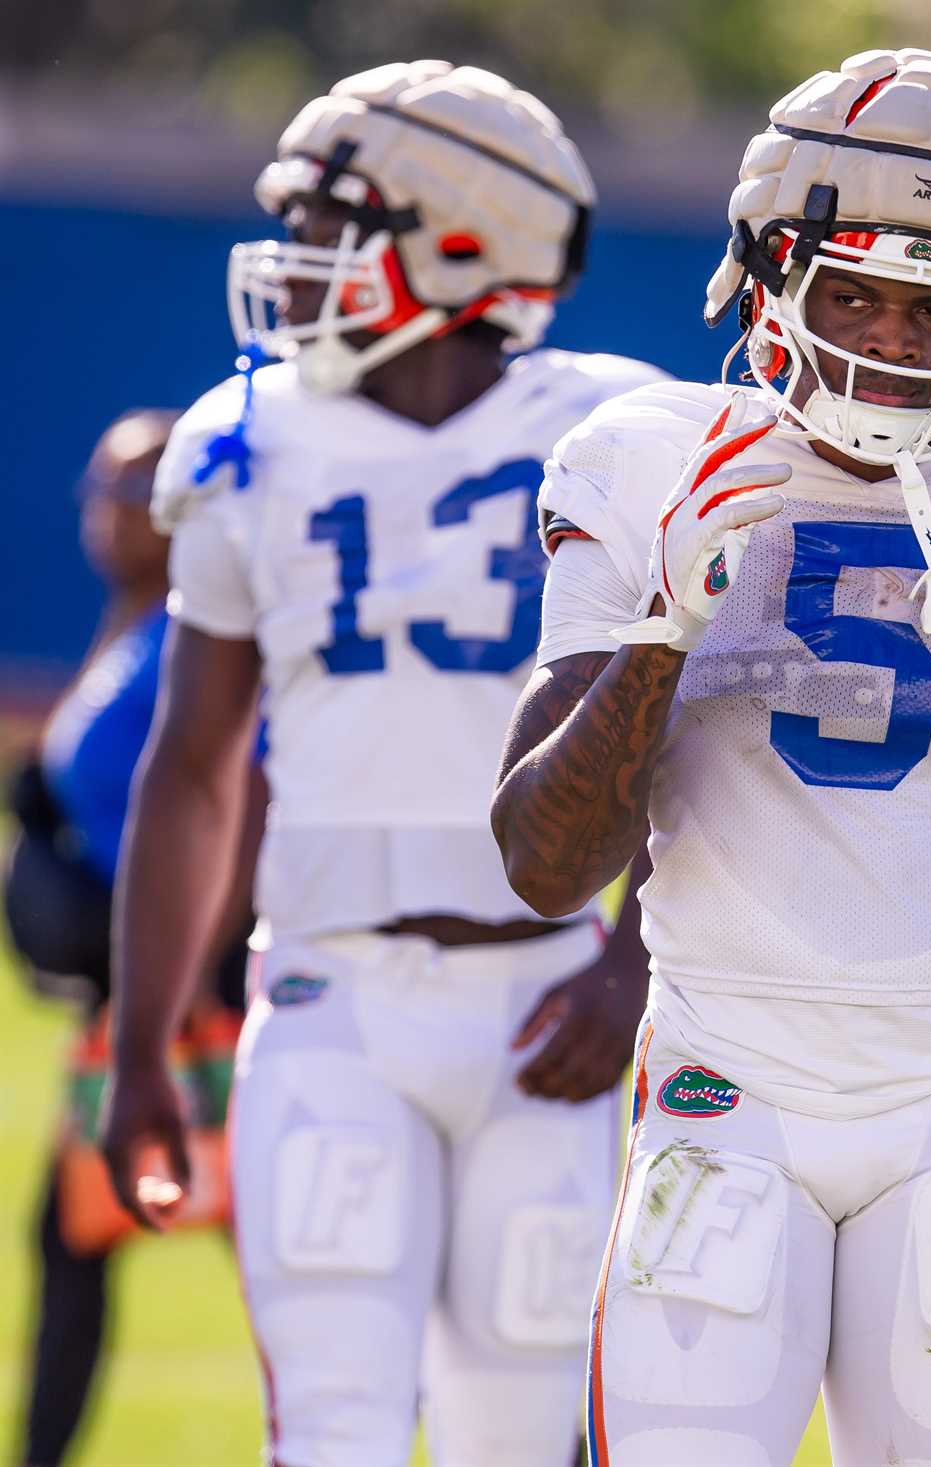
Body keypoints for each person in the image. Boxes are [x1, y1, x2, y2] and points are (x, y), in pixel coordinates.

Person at [492, 48, 931, 1467]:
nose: (890, 340)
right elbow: (543, 864)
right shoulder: (648, 461)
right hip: (722, 1075)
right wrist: (665, 627)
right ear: (768, 280)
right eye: (855, 291)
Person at [98, 61, 663, 1467]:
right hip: (328, 989)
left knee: (521, 1432)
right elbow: (193, 763)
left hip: (547, 994)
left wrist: (637, 957)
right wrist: (144, 1027)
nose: (292, 264)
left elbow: (684, 729)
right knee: (333, 1427)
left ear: (461, 238)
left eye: (330, 223)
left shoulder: (611, 432)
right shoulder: (247, 440)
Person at [4, 411, 258, 1467]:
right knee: (77, 1246)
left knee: (310, 1266)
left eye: (133, 489)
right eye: (100, 489)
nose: (106, 513)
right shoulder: (133, 628)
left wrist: (189, 985)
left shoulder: (197, 638)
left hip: (195, 1003)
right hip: (143, 1000)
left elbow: (237, 800)